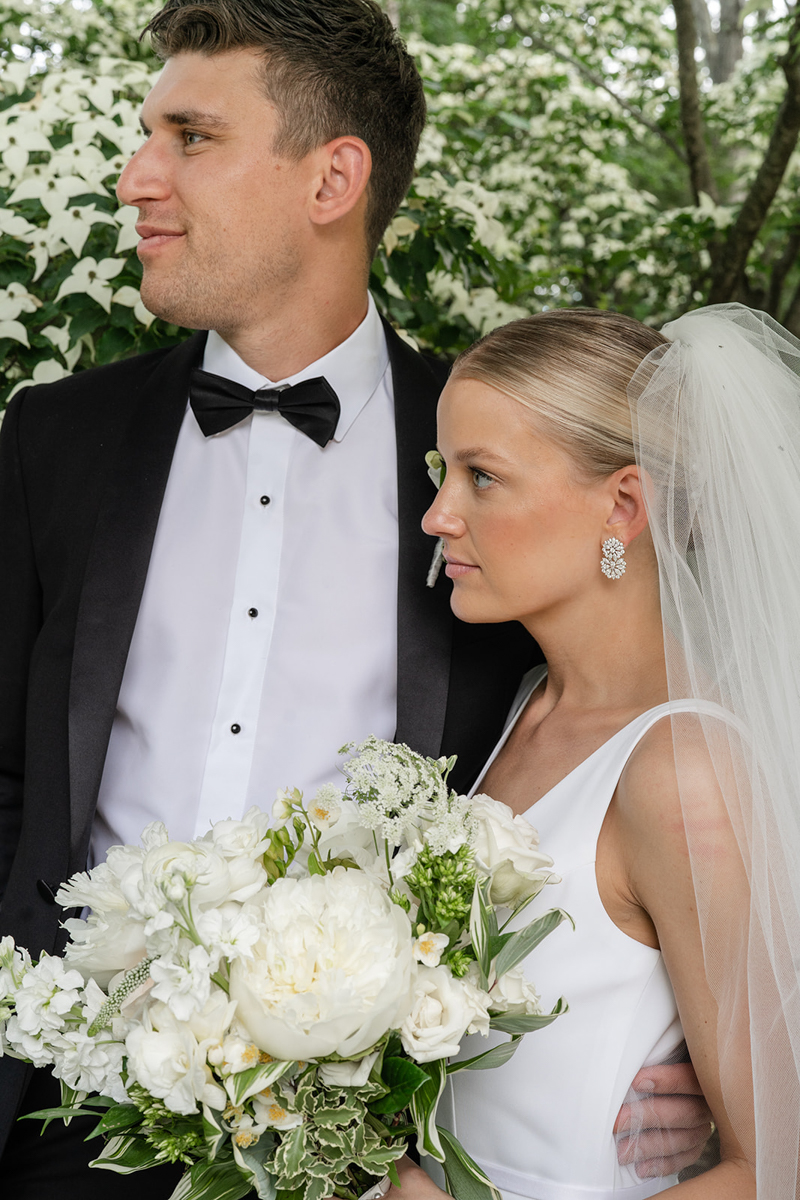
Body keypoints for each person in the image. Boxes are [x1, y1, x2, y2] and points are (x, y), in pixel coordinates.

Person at [0, 2, 710, 1195]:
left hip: (371, 1156)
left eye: (190, 136)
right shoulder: (52, 441)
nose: (137, 178)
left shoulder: (492, 472)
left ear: (331, 178)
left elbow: (632, 726)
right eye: (144, 135)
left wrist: (680, 1029)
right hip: (63, 1122)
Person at [387, 302, 800, 1198]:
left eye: (481, 477)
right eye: (439, 471)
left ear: (622, 505)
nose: (436, 517)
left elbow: (775, 1165)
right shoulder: (525, 707)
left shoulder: (682, 770)